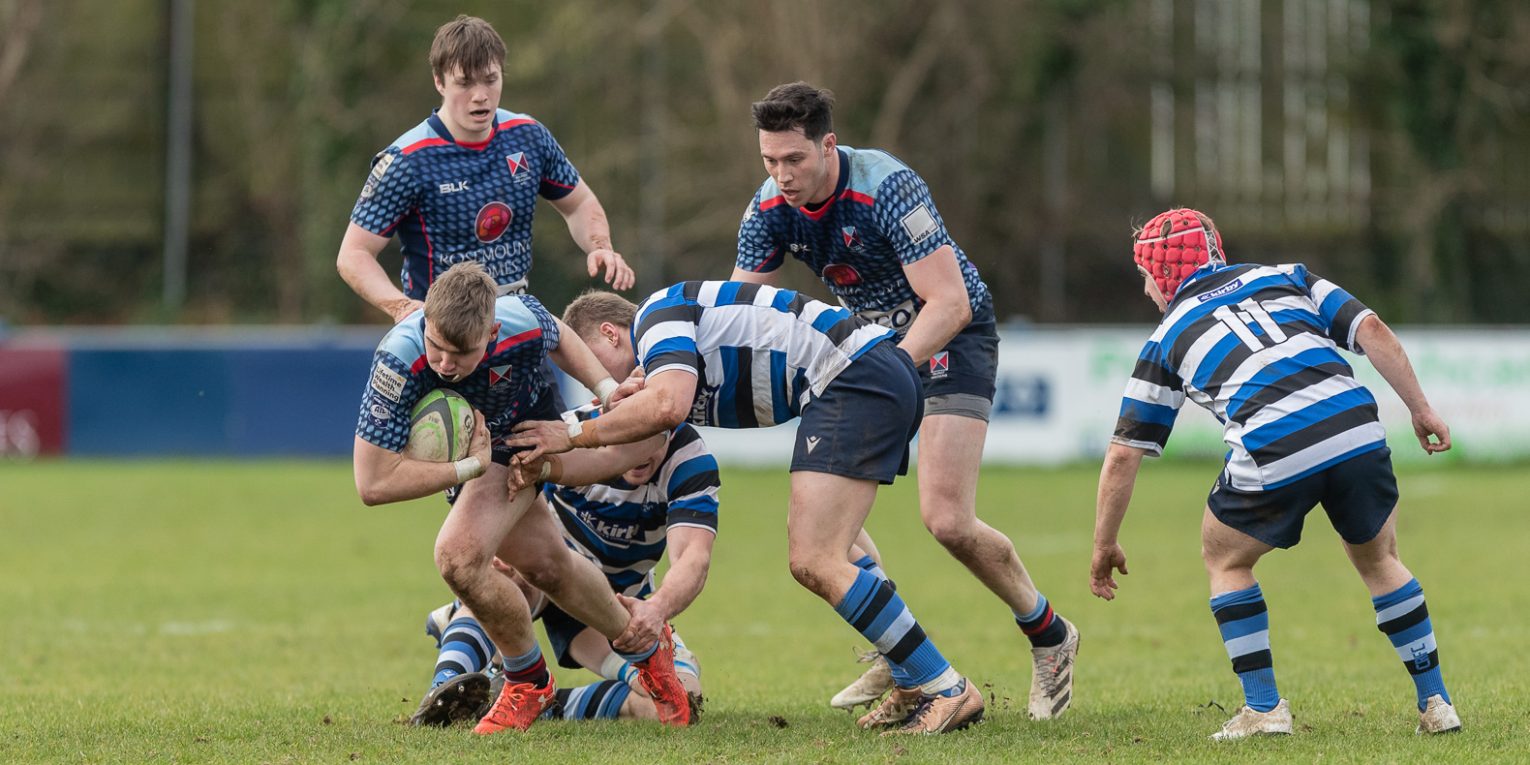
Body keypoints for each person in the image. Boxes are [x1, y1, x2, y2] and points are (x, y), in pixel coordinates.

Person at [730, 82, 1078, 720]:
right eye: (768, 162)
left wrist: (883, 367)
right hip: (866, 350)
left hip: (948, 337)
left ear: (828, 146)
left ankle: (1049, 633)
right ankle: (901, 660)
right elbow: (739, 311)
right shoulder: (769, 208)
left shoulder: (886, 186)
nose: (779, 176)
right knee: (820, 526)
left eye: (793, 161)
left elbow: (951, 302)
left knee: (946, 519)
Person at [508, 283, 986, 735]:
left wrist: (568, 434)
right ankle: (911, 676)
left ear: (611, 334)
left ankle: (945, 686)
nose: (601, 386)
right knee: (832, 548)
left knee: (815, 558)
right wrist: (545, 463)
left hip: (853, 376)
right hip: (862, 373)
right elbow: (621, 449)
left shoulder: (656, 318)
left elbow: (666, 408)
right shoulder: (665, 363)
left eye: (594, 368)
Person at [1088, 208, 1462, 739]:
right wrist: (1420, 409)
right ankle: (1437, 703)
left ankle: (1263, 709)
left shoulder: (1167, 336)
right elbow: (1371, 328)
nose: (1147, 290)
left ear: (1164, 274)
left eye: (1146, 278)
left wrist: (1104, 544)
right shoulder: (1287, 276)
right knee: (1380, 560)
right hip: (1356, 426)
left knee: (1224, 557)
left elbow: (1125, 451)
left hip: (1273, 443)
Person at [351, 262, 691, 733]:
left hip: (525, 434)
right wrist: (467, 467)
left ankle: (528, 681)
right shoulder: (398, 360)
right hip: (473, 455)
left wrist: (608, 391)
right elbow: (372, 484)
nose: (444, 364)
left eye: (460, 352)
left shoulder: (519, 319)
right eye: (436, 345)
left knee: (458, 558)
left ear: (490, 333)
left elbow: (561, 337)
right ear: (424, 321)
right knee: (548, 565)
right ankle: (649, 650)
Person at [410, 404, 719, 726]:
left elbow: (693, 558)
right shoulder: (569, 431)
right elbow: (508, 488)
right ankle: (443, 691)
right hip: (541, 578)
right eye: (631, 432)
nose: (638, 449)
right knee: (519, 575)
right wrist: (503, 547)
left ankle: (549, 705)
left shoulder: (690, 461)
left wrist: (655, 610)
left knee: (685, 696)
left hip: (613, 605)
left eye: (650, 435)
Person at [338, 14, 633, 326]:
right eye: (465, 83)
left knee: (571, 350)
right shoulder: (407, 160)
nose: (480, 95)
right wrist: (401, 307)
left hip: (515, 323)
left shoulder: (528, 136)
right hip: (445, 333)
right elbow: (354, 255)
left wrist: (600, 246)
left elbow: (579, 204)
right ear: (439, 82)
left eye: (490, 80)